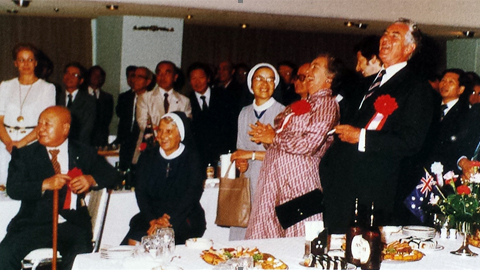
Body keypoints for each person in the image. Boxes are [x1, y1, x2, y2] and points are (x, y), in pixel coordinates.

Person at [320, 19, 434, 232]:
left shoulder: (416, 87)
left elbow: (411, 141)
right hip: (341, 186)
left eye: (395, 36)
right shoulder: (366, 82)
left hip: (373, 189)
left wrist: (361, 137)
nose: (385, 39)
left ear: (409, 48)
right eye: (385, 33)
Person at [0, 106, 121, 270]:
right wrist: (45, 184)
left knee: (80, 259)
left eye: (47, 124)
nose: (40, 129)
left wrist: (91, 179)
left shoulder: (83, 151)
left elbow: (112, 175)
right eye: (39, 124)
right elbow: (14, 188)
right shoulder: (24, 154)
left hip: (71, 225)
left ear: (65, 128)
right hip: (32, 224)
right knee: (4, 255)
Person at [244, 54, 340, 239]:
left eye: (315, 68)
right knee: (267, 237)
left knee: (299, 240)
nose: (308, 72)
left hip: (298, 183)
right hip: (276, 179)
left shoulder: (326, 104)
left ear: (329, 78)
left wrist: (274, 138)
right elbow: (281, 139)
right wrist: (267, 136)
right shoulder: (305, 103)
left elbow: (309, 144)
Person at [123, 112, 206, 245]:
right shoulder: (147, 157)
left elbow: (191, 196)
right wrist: (153, 220)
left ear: (180, 135)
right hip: (152, 217)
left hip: (183, 217)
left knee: (157, 243)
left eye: (169, 131)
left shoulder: (192, 159)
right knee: (135, 240)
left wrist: (168, 222)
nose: (162, 136)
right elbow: (141, 192)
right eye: (160, 131)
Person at [229, 63, 285, 240]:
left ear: (275, 85)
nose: (264, 83)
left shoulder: (283, 112)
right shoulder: (244, 112)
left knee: (267, 230)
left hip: (272, 179)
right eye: (259, 78)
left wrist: (250, 155)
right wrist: (241, 162)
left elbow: (284, 153)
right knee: (243, 228)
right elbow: (241, 148)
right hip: (247, 181)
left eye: (270, 79)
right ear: (251, 84)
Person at [0, 43, 56, 186]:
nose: (26, 64)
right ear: (15, 63)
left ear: (36, 63)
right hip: (5, 145)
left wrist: (20, 144)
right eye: (21, 60)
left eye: (30, 59)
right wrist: (8, 143)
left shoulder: (47, 88)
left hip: (31, 146)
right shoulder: (5, 86)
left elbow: (46, 123)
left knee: (25, 186)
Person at [134, 61, 192, 164]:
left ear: (175, 77)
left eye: (167, 73)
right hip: (150, 149)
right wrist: (164, 135)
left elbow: (184, 128)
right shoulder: (145, 98)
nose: (162, 77)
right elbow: (143, 124)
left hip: (175, 151)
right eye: (159, 73)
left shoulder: (184, 101)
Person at [187, 62, 237, 171]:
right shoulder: (186, 101)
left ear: (208, 79)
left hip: (223, 153)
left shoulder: (224, 96)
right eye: (193, 78)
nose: (197, 82)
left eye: (201, 77)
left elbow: (232, 125)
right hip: (198, 156)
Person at [115, 66, 151, 171]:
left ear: (148, 82)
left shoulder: (151, 99)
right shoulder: (124, 98)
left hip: (142, 144)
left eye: (139, 77)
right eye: (133, 76)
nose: (134, 80)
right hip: (125, 144)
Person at [56, 62, 96, 145]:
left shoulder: (89, 100)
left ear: (81, 81)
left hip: (79, 144)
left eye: (74, 75)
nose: (69, 77)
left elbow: (87, 129)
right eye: (67, 73)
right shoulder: (55, 97)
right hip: (57, 143)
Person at [87, 65, 114, 147]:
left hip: (101, 140)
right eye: (94, 74)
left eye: (100, 75)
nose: (97, 77)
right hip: (83, 139)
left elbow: (107, 120)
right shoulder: (80, 95)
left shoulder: (108, 97)